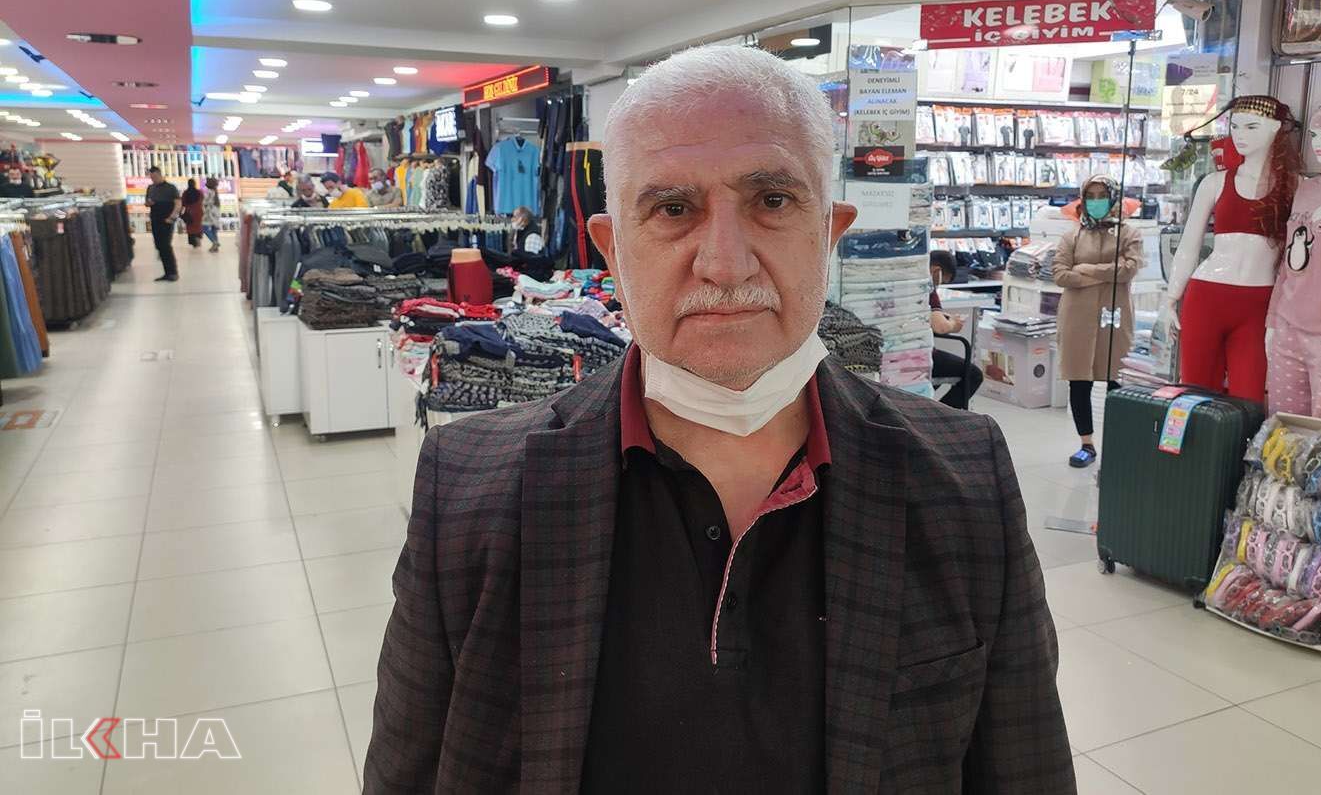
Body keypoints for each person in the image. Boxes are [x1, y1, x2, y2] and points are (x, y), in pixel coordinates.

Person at [366, 45, 1075, 793]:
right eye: (673, 210)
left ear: (829, 232)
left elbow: (1024, 769)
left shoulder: (965, 478)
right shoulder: (470, 489)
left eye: (773, 202)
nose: (726, 264)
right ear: (612, 249)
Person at [1053, 175, 1144, 467]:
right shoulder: (1072, 235)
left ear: (1113, 197)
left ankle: (1119, 445)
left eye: (1101, 195)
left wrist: (1086, 269)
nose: (1095, 201)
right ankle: (1086, 444)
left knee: (1117, 379)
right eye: (1089, 196)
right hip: (1077, 316)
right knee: (1079, 380)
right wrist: (1106, 274)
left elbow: (1129, 269)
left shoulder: (1129, 233)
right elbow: (1060, 274)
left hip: (1113, 315)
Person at [929, 249, 984, 409]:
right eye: (942, 281)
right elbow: (940, 327)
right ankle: (942, 416)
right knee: (973, 375)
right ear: (937, 271)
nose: (938, 285)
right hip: (921, 356)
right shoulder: (926, 287)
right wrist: (954, 324)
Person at [145, 166, 180, 282]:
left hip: (167, 220)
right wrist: (149, 203)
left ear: (160, 175)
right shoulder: (150, 188)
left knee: (166, 245)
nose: (153, 179)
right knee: (159, 246)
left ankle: (173, 272)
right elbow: (147, 203)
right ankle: (167, 272)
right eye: (151, 177)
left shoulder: (170, 188)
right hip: (155, 220)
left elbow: (178, 203)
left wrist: (172, 217)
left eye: (155, 177)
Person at [180, 177, 204, 248]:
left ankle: (193, 242)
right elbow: (202, 201)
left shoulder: (185, 193)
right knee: (198, 226)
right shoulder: (199, 192)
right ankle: (198, 239)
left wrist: (180, 212)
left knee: (190, 227)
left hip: (189, 212)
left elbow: (183, 203)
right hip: (199, 212)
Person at [201, 177, 222, 252]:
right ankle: (215, 247)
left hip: (210, 212)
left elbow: (205, 202)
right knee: (214, 230)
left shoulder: (209, 192)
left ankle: (214, 242)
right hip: (216, 212)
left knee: (204, 227)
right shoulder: (215, 192)